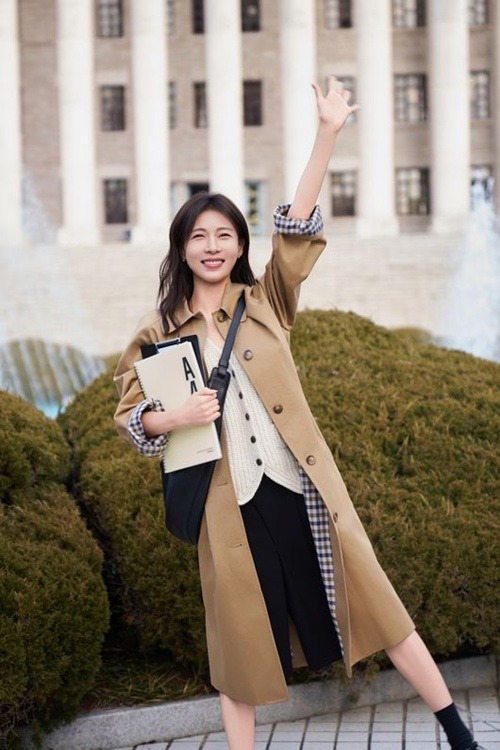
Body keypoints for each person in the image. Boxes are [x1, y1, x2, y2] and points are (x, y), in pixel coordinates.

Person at [114, 78, 485, 750]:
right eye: (199, 236)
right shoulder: (156, 330)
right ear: (181, 248)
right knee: (239, 651)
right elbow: (131, 415)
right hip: (229, 504)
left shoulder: (266, 302)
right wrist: (174, 417)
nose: (212, 246)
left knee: (381, 609)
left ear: (238, 245)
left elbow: (296, 229)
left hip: (301, 487)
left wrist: (327, 135)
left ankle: (459, 734)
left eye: (225, 234)